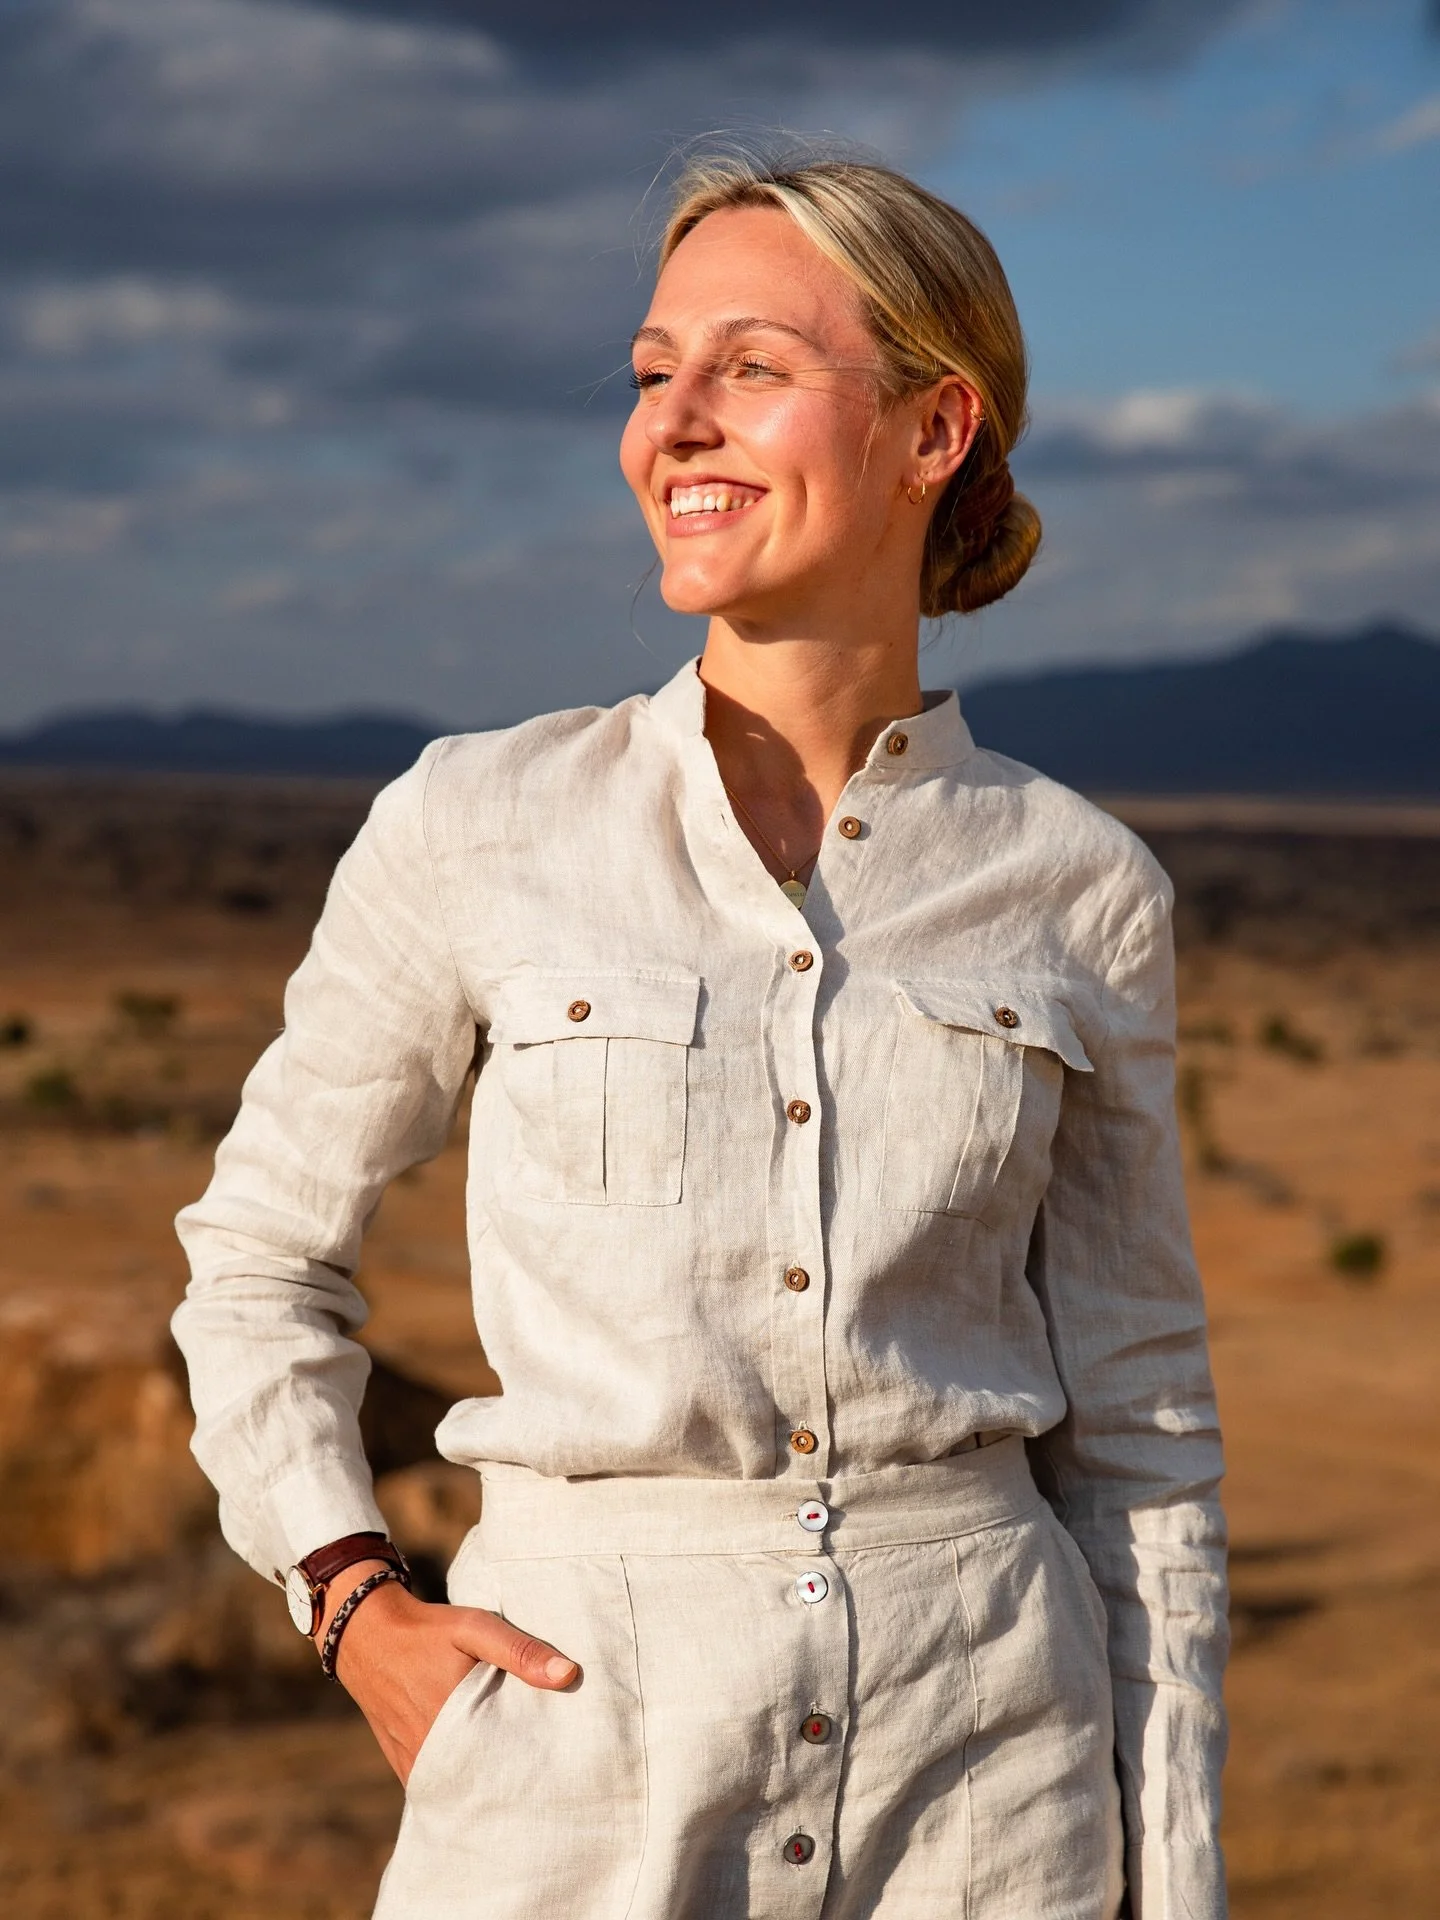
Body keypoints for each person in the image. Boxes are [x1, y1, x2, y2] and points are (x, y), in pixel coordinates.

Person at [174, 151, 1228, 1920]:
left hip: (995, 1792)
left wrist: (1176, 1875)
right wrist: (358, 1609)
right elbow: (255, 1262)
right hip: (581, 1772)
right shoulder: (477, 821)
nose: (670, 423)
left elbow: (1140, 1435)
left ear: (932, 427)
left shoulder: (1080, 885)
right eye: (656, 371)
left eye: (748, 367)